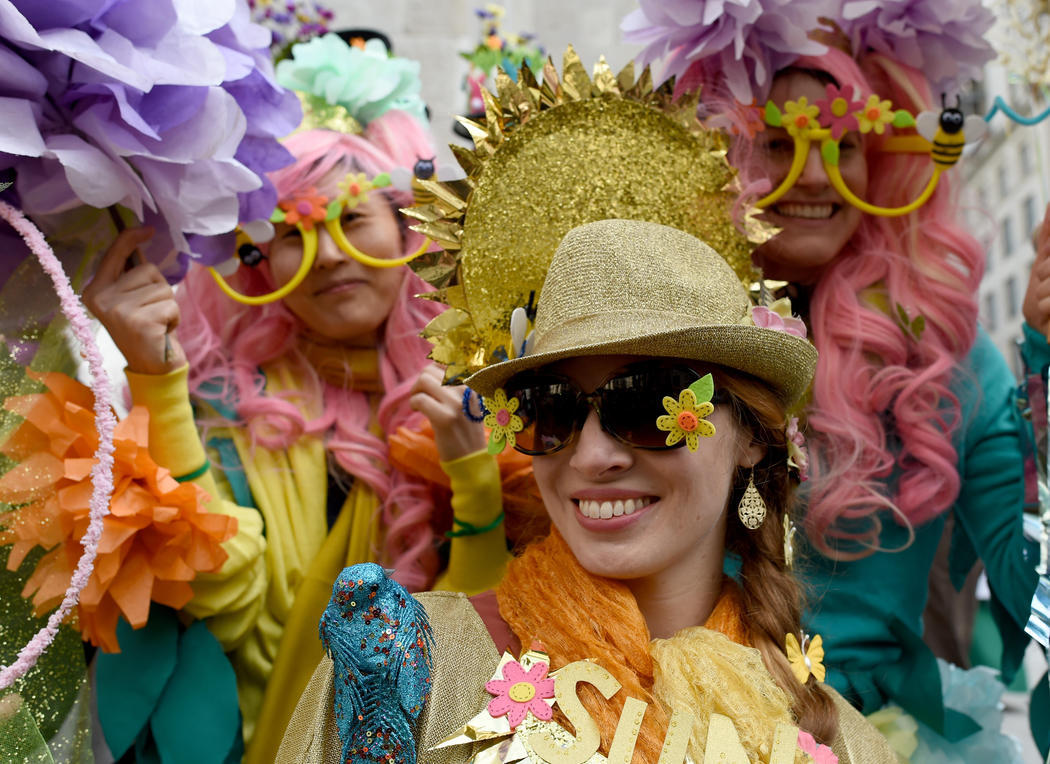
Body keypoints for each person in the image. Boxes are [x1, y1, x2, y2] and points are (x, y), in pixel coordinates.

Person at [278, 218, 898, 764]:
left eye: (649, 404)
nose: (593, 455)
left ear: (753, 439)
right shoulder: (405, 666)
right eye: (552, 411)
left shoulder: (846, 747)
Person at [81, 110, 519, 761]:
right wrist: (159, 382)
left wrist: (476, 485)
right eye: (292, 232)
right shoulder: (229, 404)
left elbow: (485, 640)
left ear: (407, 229)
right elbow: (221, 599)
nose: (332, 254)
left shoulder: (492, 386)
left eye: (351, 220)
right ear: (260, 262)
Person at [714, 45, 1043, 757]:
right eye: (777, 142)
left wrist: (1046, 365)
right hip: (683, 721)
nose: (812, 172)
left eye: (844, 144)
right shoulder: (665, 339)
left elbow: (1034, 591)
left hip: (883, 737)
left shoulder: (944, 362)